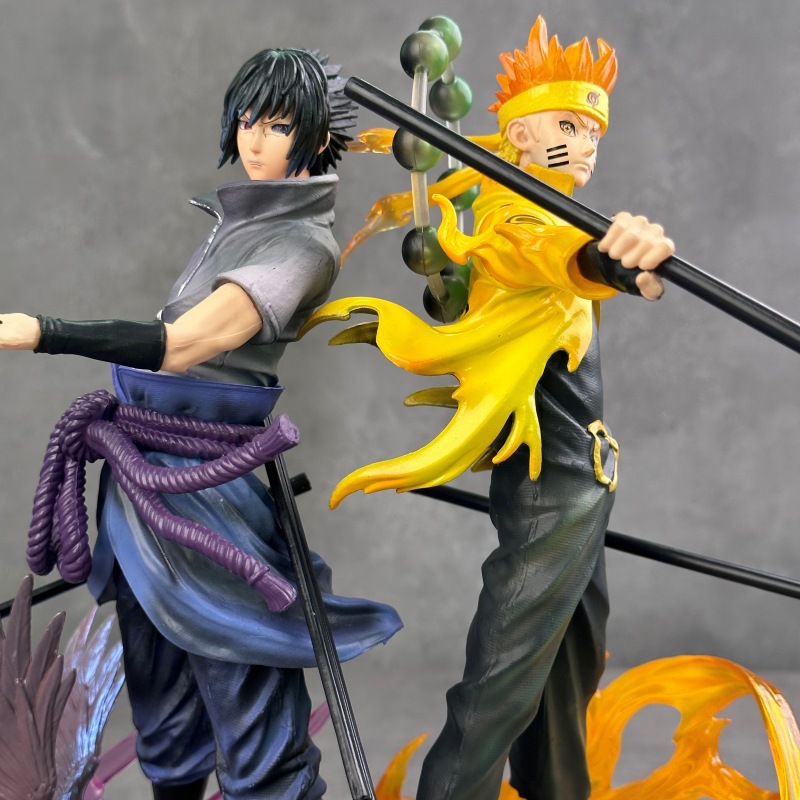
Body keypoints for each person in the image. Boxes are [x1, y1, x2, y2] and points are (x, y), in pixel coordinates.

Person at [0, 47, 401, 800]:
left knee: (244, 691)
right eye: (247, 120)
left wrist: (44, 331)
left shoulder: (300, 245)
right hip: (143, 482)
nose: (254, 139)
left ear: (315, 136)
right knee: (163, 708)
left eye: (276, 125)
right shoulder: (235, 224)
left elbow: (184, 345)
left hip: (210, 492)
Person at [301, 17, 674, 800]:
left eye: (594, 131)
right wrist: (611, 256)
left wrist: (603, 254)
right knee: (502, 682)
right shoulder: (514, 219)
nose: (587, 144)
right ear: (521, 134)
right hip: (551, 489)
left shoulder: (550, 210)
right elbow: (549, 255)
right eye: (568, 126)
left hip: (583, 487)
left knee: (566, 673)